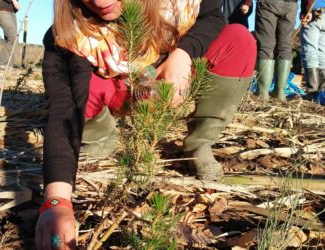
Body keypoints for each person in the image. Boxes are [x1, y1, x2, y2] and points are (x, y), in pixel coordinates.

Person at [35, 0, 256, 249]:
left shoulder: (175, 5)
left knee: (238, 39)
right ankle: (100, 138)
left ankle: (200, 144)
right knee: (89, 87)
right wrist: (56, 201)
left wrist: (183, 54)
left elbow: (212, 16)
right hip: (121, 92)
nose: (99, 1)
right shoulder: (71, 34)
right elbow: (65, 108)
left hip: (172, 80)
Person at [255, 0, 298, 100]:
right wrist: (307, 8)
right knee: (285, 45)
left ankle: (262, 93)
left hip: (268, 3)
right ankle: (280, 92)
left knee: (266, 45)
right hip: (291, 5)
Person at [300, 0, 325, 98]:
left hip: (315, 11)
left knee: (310, 51)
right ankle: (322, 92)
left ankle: (312, 91)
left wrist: (307, 10)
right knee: (322, 52)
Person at [0, 0, 20, 68]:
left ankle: (8, 65)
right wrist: (14, 1)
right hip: (3, 11)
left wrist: (16, 7)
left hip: (11, 14)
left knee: (13, 39)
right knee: (13, 38)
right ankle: (1, 63)